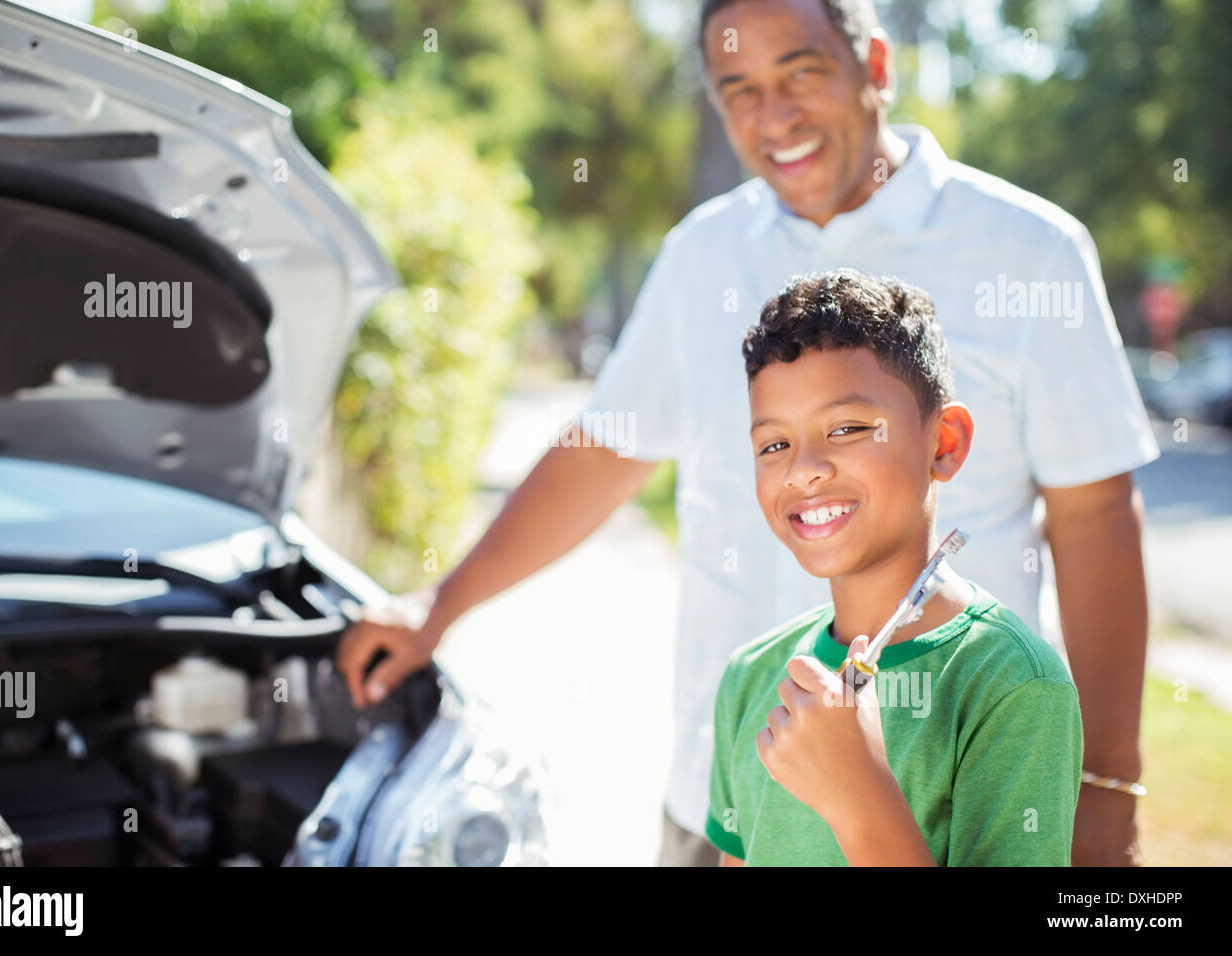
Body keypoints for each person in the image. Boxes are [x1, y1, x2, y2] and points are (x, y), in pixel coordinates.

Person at [337, 0, 1157, 866]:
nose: (775, 116)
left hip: (945, 802)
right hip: (724, 795)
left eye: (801, 73)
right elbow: (605, 450)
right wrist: (440, 604)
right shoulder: (703, 252)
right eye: (739, 90)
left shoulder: (1030, 252)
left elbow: (1095, 514)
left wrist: (1108, 781)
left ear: (875, 65)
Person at [707, 268, 1081, 866]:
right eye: (774, 445)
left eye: (848, 428)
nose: (803, 469)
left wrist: (859, 797)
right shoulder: (751, 677)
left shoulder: (1012, 687)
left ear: (944, 443)